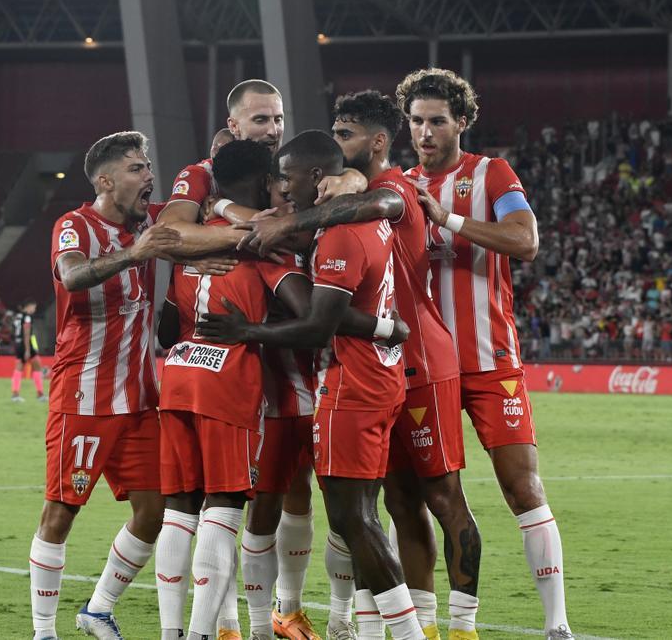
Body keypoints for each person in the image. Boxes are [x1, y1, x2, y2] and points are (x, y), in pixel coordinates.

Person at [236, 90, 482, 638]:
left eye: (346, 135)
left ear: (374, 142)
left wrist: (287, 228)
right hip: (389, 359)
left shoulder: (388, 192)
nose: (340, 145)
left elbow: (382, 209)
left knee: (433, 499)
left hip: (406, 363)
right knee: (389, 505)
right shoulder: (352, 200)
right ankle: (384, 625)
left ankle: (460, 625)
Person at [157, 79, 366, 639]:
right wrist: (239, 232)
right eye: (261, 120)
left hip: (289, 367)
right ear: (232, 129)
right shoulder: (201, 173)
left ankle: (301, 614)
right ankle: (236, 623)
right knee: (247, 500)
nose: (272, 128)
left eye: (278, 118)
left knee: (326, 501)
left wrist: (232, 216)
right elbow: (170, 232)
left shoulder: (296, 170)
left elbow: (334, 201)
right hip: (256, 372)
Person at [198, 131, 424, 640]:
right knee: (358, 515)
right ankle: (360, 627)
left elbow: (320, 324)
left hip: (352, 385)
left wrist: (248, 331)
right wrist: (389, 329)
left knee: (352, 518)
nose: (284, 186)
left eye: (291, 176)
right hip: (380, 374)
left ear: (317, 178)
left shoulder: (341, 234)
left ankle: (404, 632)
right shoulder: (368, 215)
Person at [401, 68, 574, 640]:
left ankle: (557, 626)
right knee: (428, 498)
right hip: (424, 367)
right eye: (417, 121)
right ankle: (433, 623)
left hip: (490, 359)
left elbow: (525, 242)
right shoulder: (399, 186)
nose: (425, 132)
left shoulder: (490, 174)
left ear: (462, 122)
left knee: (523, 487)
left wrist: (446, 218)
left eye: (437, 121)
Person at [28, 131, 182, 640]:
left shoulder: (151, 220)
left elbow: (197, 208)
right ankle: (43, 633)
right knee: (62, 511)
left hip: (140, 401)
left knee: (155, 510)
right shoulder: (74, 226)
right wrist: (135, 253)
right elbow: (72, 277)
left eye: (148, 167)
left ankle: (97, 609)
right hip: (85, 398)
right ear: (106, 179)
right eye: (138, 168)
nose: (149, 176)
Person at [12, 299, 46, 402]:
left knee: (19, 368)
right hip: (26, 344)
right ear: (29, 306)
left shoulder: (18, 317)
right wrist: (27, 349)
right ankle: (40, 395)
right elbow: (26, 333)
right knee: (37, 367)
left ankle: (15, 394)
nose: (34, 310)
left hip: (18, 343)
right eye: (34, 307)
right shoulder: (27, 317)